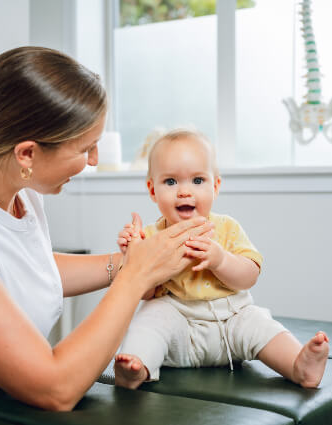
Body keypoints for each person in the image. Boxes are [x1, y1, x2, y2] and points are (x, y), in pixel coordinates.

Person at [0, 47, 216, 410]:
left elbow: (23, 268)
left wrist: (125, 262)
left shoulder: (8, 180)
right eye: (86, 148)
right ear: (27, 154)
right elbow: (55, 389)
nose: (94, 160)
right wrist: (136, 276)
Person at [114, 128, 330, 390]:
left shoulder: (227, 228)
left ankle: (299, 365)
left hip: (230, 319)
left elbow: (249, 276)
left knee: (260, 324)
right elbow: (146, 293)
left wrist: (220, 260)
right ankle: (137, 368)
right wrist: (133, 255)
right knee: (148, 320)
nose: (184, 191)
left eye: (197, 180)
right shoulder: (150, 236)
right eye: (171, 182)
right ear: (152, 190)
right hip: (178, 322)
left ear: (215, 186)